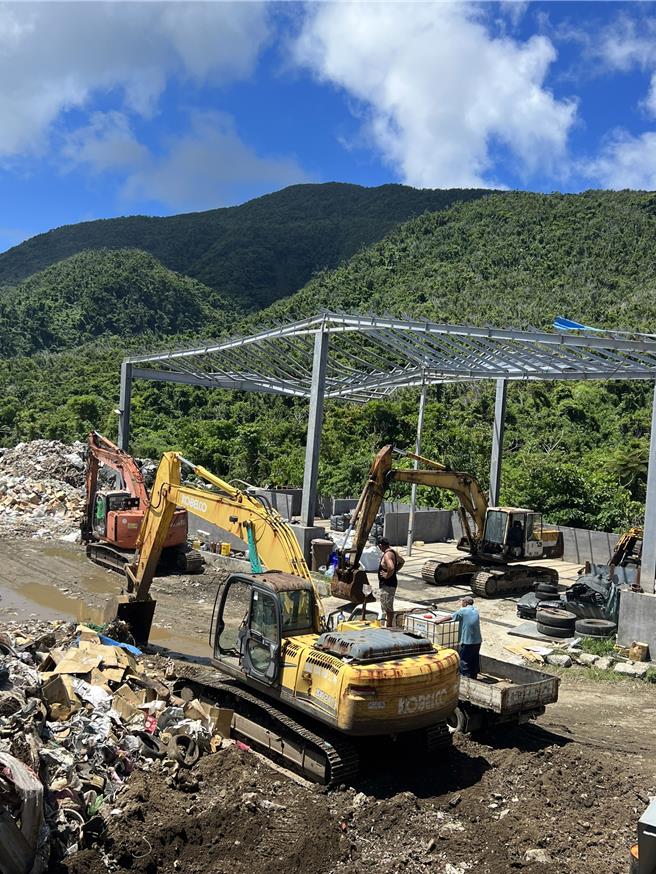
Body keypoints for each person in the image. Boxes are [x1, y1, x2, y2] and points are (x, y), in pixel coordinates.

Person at [436, 596, 482, 678]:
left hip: (468, 641)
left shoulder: (463, 610)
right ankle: (474, 675)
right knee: (474, 658)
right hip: (477, 640)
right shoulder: (475, 611)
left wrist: (439, 620)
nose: (461, 603)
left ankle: (464, 677)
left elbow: (451, 616)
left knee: (464, 660)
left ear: (465, 603)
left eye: (462, 601)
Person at [376, 537, 405, 627]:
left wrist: (387, 575)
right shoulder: (393, 552)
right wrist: (394, 571)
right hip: (391, 584)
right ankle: (386, 624)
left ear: (380, 545)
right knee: (387, 606)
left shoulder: (387, 555)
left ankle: (388, 626)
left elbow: (391, 567)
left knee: (387, 606)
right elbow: (402, 561)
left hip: (387, 585)